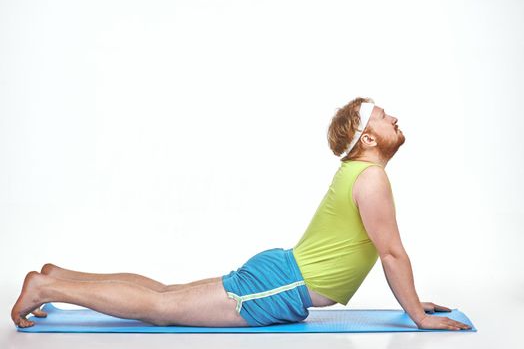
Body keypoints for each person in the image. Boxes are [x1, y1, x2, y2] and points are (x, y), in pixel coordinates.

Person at [11, 97, 471, 330]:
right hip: (282, 284)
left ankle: (60, 276)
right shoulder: (369, 178)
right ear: (368, 140)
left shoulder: (358, 174)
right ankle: (48, 285)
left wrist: (413, 302)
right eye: (384, 117)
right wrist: (418, 315)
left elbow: (386, 254)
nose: (394, 119)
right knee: (164, 307)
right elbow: (391, 254)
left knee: (168, 294)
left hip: (280, 274)